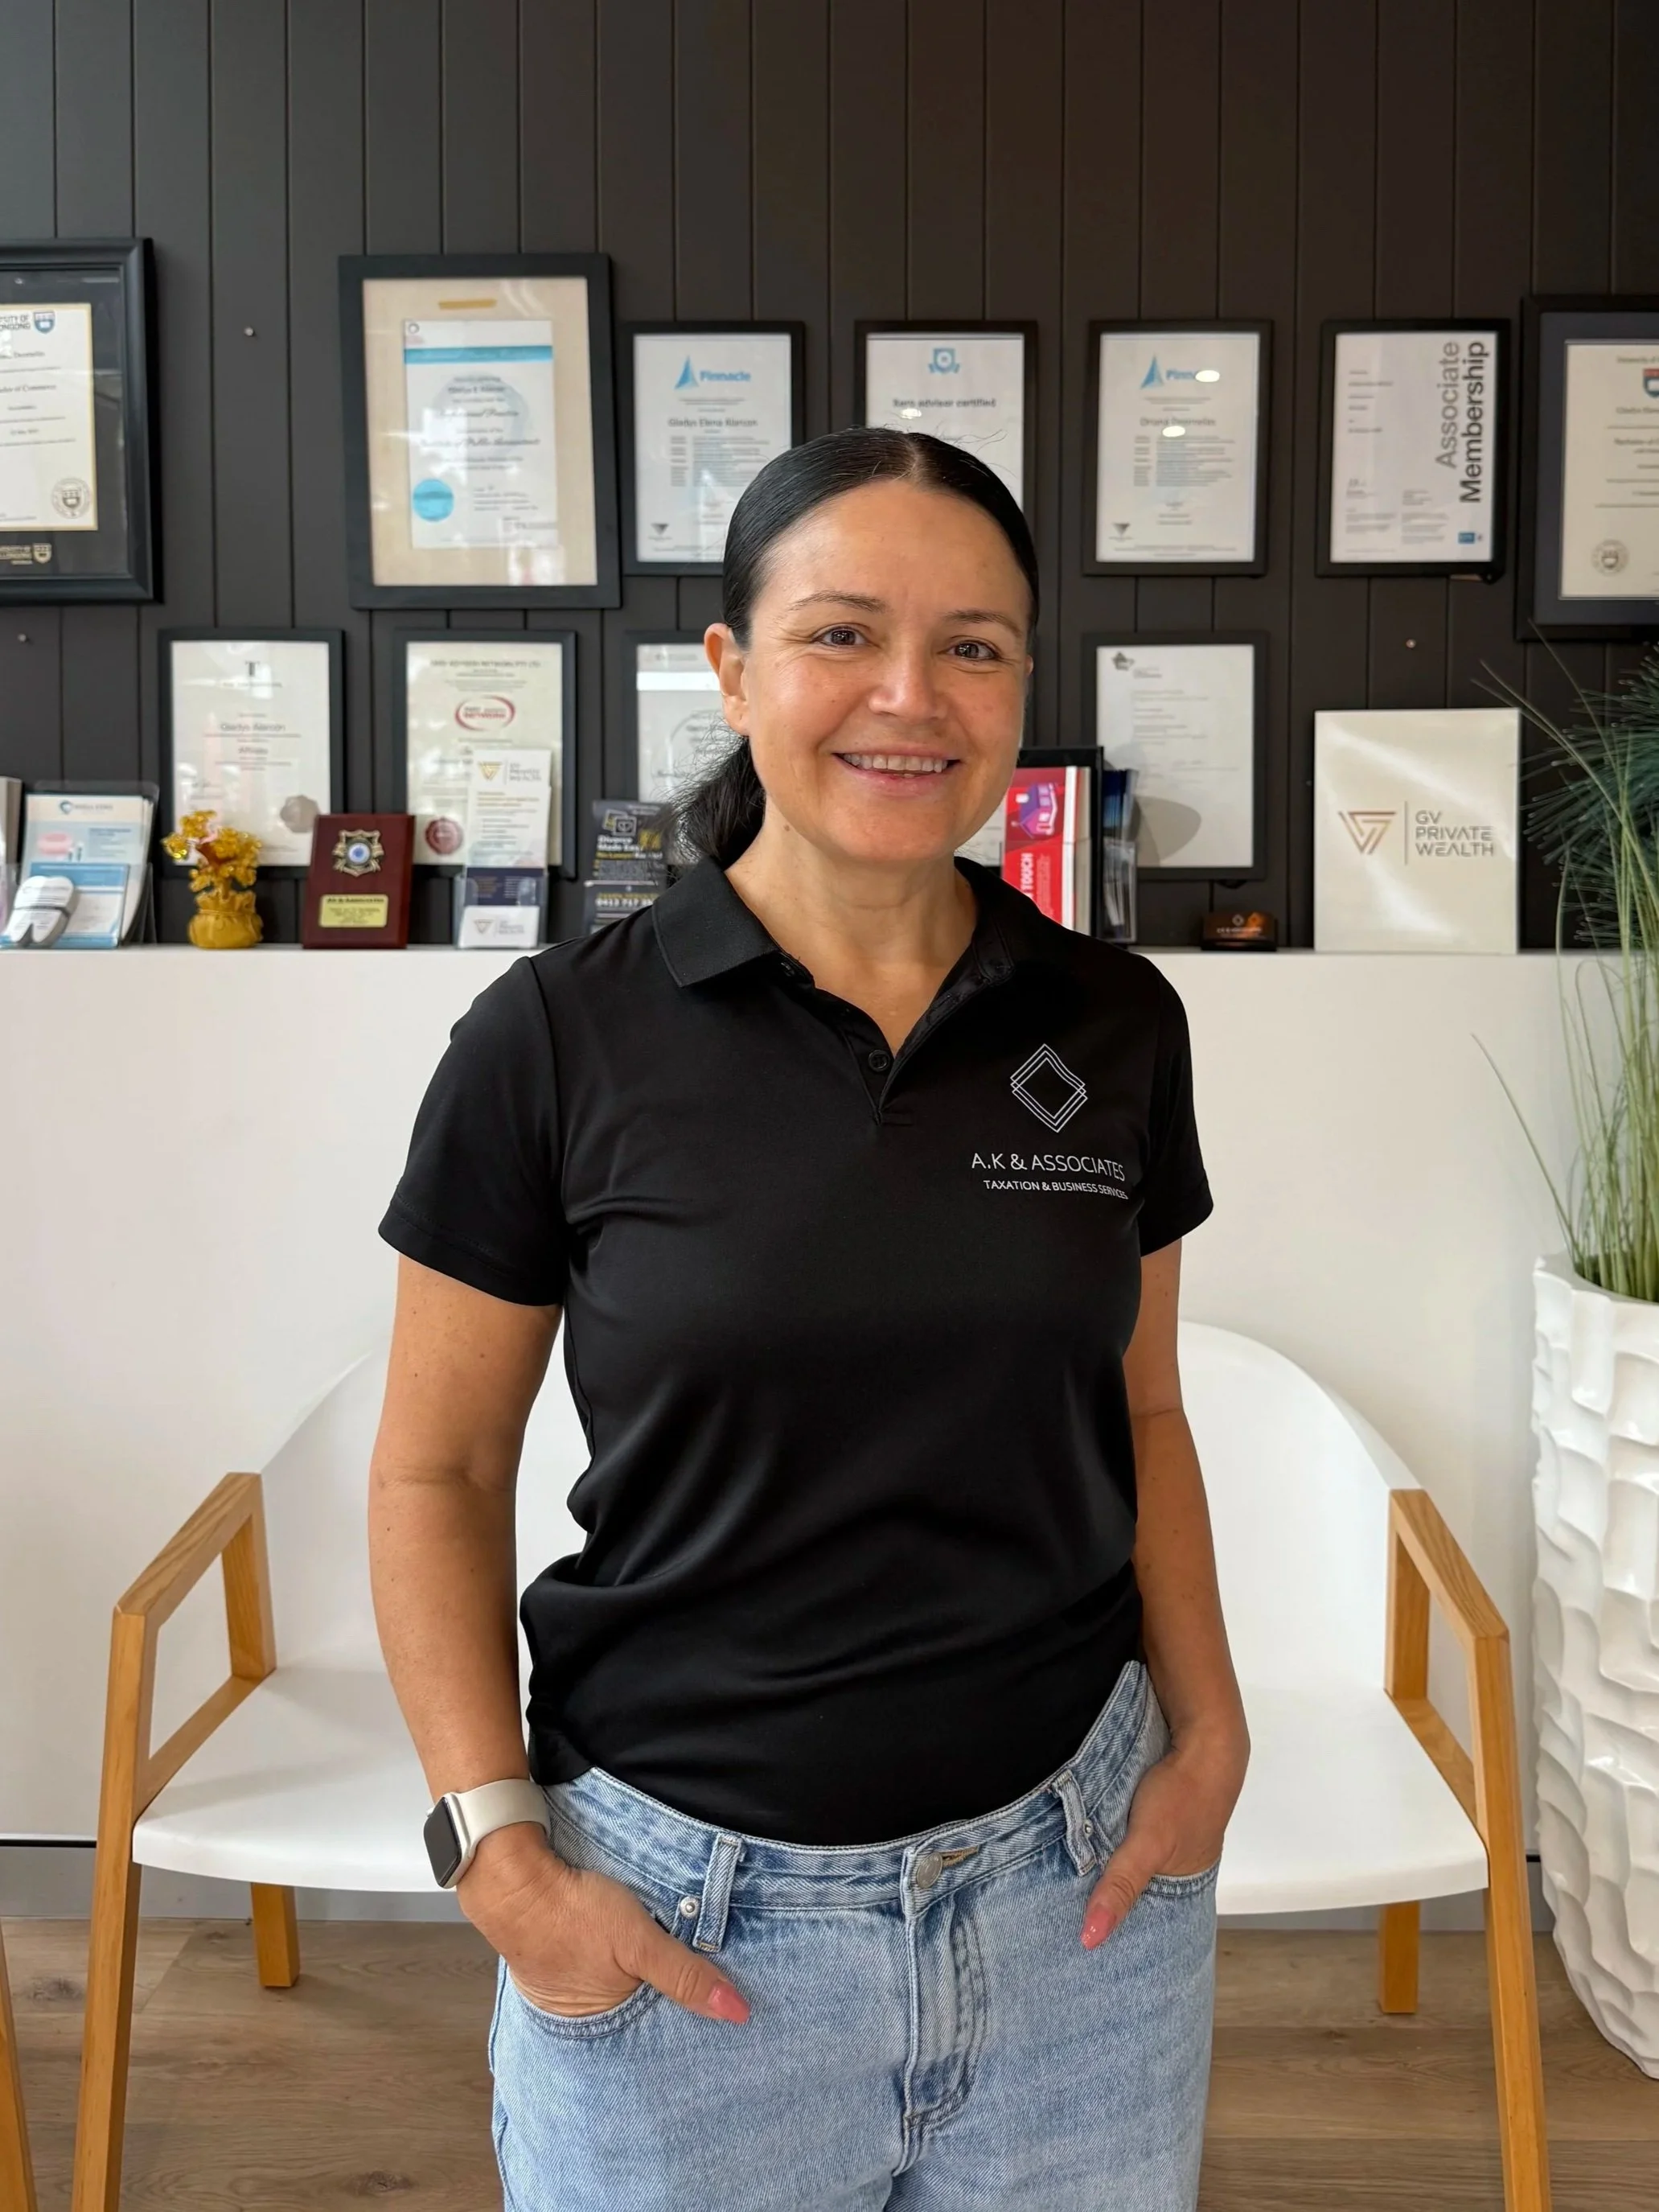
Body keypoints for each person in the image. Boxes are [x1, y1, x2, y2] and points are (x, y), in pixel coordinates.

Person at [368, 426, 1250, 2211]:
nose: (906, 697)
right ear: (732, 668)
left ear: (1021, 686)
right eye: (840, 632)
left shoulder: (1112, 1019)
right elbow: (435, 1472)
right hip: (687, 1928)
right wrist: (497, 1855)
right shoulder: (553, 1040)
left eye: (974, 645)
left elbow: (1139, 1411)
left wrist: (1208, 1736)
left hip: (1077, 1901)